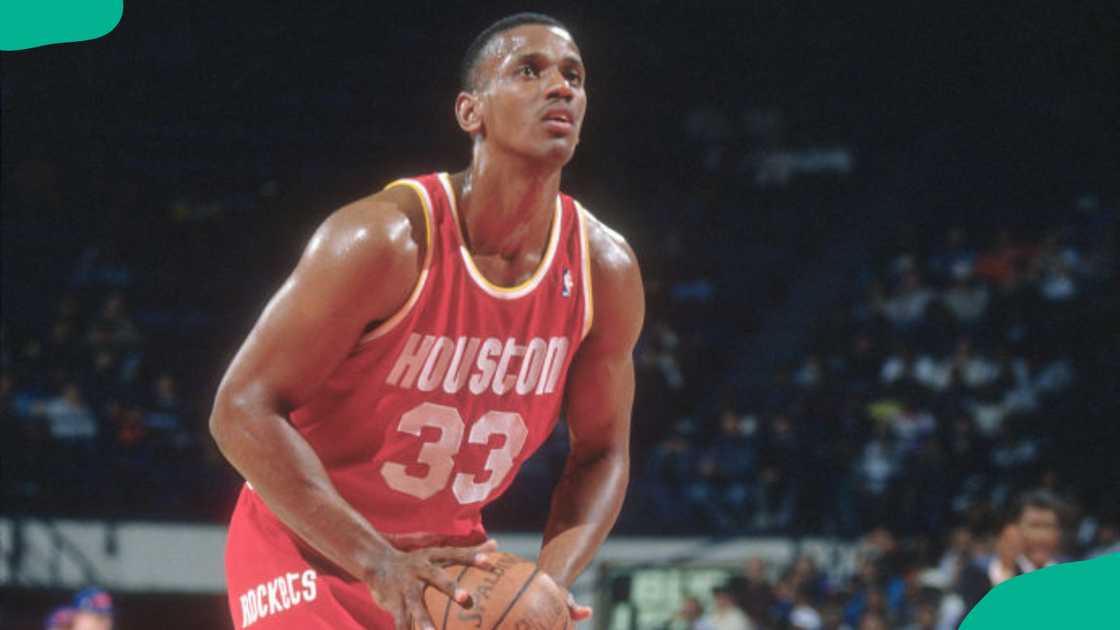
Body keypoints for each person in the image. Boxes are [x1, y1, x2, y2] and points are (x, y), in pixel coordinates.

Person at [209, 12, 643, 630]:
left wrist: (549, 582)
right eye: (529, 70)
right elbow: (238, 409)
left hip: (448, 564)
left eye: (573, 75)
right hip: (307, 548)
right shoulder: (382, 240)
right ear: (471, 112)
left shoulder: (605, 269)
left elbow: (603, 452)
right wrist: (378, 564)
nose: (560, 87)